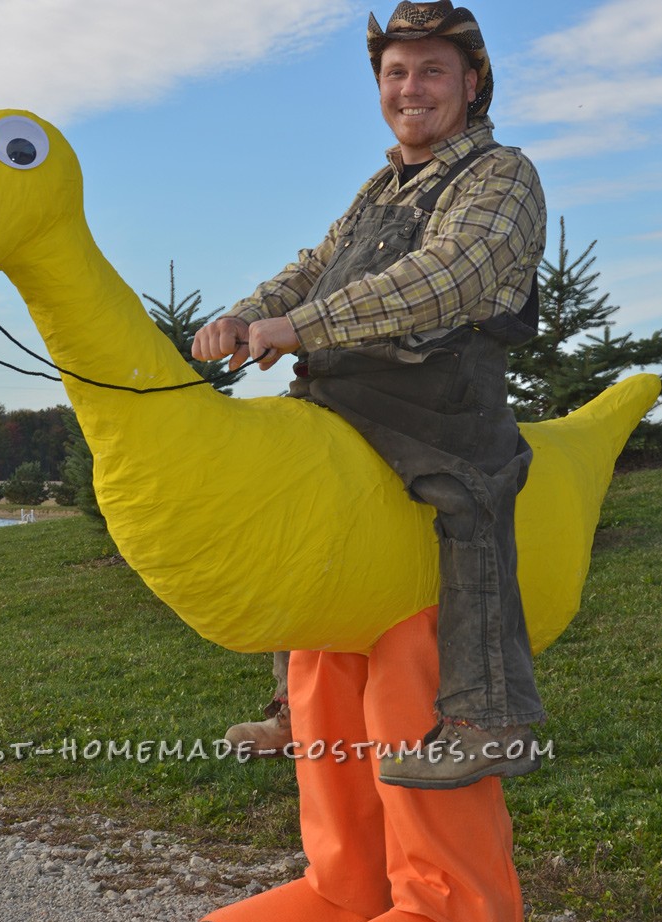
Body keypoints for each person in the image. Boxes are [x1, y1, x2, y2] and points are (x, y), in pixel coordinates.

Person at [195, 0, 547, 789]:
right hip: (339, 394)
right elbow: (313, 263)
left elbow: (452, 274)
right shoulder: (377, 188)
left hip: (442, 406)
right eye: (395, 72)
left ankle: (491, 718)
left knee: (468, 499)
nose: (409, 87)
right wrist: (246, 314)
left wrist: (304, 324)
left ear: (473, 80)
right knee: (278, 489)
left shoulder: (501, 175)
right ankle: (296, 706)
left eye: (430, 70)